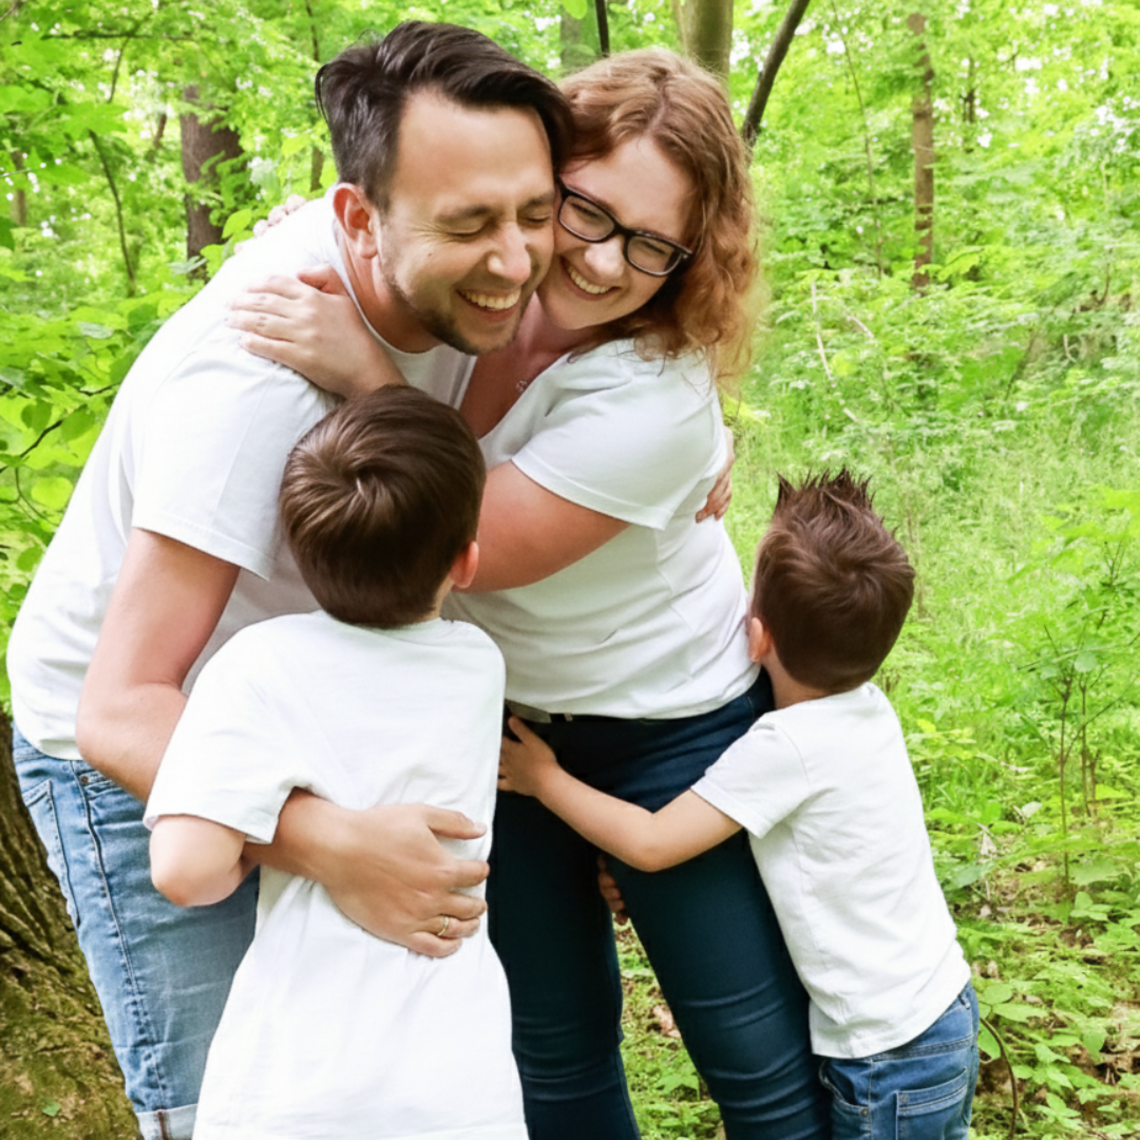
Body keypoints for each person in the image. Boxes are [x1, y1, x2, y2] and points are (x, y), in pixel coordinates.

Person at [228, 49, 830, 1140]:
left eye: (651, 245)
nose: (601, 261)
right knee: (551, 1048)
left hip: (672, 729)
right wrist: (314, 243)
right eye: (586, 211)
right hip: (502, 729)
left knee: (752, 1060)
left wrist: (363, 373)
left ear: (692, 255)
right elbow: (385, 235)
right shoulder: (486, 288)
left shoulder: (655, 398)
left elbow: (465, 544)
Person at [6, 23, 572, 1139]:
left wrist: (694, 436)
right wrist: (326, 841)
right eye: (471, 226)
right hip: (146, 743)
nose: (516, 262)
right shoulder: (250, 390)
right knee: (230, 1103)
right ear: (358, 219)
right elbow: (118, 707)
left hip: (316, 707)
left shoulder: (460, 266)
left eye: (536, 214)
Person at [498, 471, 979, 1140]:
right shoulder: (869, 711)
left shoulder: (783, 748)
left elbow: (654, 842)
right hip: (941, 1015)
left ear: (755, 638)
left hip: (884, 1054)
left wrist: (544, 780)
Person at [146, 387, 525, 1140]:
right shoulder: (478, 664)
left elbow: (185, 871)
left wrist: (254, 833)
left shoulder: (256, 665)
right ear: (467, 561)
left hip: (297, 1081)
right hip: (458, 1079)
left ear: (293, 550)